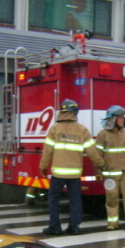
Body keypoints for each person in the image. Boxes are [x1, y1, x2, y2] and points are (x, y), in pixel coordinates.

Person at [39, 98, 105, 235]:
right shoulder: (82, 130)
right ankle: (74, 226)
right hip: (74, 175)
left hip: (58, 174)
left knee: (54, 199)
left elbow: (48, 151)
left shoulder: (55, 129)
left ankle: (55, 227)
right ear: (75, 112)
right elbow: (92, 152)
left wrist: (43, 167)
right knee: (75, 200)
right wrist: (101, 164)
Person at [95, 105, 125, 232]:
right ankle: (112, 223)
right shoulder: (103, 135)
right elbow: (98, 155)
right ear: (112, 119)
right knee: (111, 199)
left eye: (123, 118)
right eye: (120, 118)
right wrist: (98, 172)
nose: (123, 120)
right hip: (110, 175)